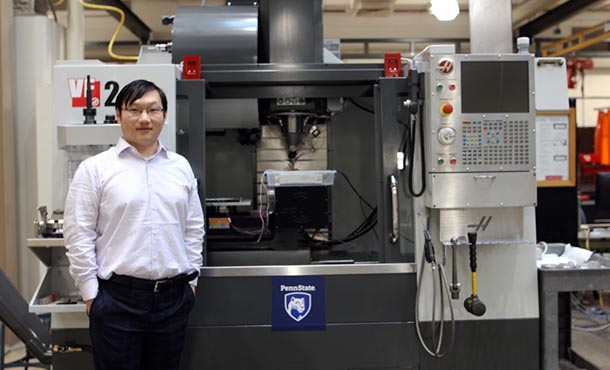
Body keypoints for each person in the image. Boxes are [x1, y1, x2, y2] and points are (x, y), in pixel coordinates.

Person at [64, 79, 204, 370]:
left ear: (165, 115)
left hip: (173, 300)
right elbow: (78, 235)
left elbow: (193, 229)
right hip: (117, 301)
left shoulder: (180, 167)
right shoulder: (95, 169)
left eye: (153, 110)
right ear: (118, 114)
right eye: (134, 110)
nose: (144, 118)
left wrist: (191, 281)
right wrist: (91, 295)